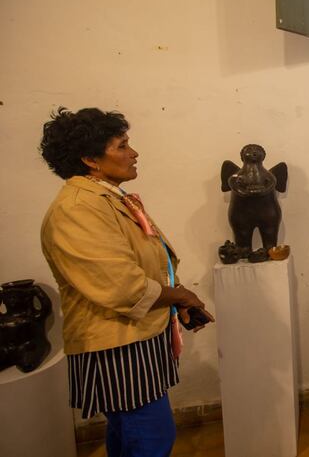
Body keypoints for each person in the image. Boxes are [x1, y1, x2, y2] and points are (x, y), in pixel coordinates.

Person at [39, 107, 214, 457]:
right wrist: (180, 294)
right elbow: (122, 285)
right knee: (150, 437)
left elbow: (148, 261)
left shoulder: (106, 199)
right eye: (122, 146)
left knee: (129, 433)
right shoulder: (77, 209)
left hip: (133, 337)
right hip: (115, 347)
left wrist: (175, 302)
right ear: (90, 158)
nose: (133, 153)